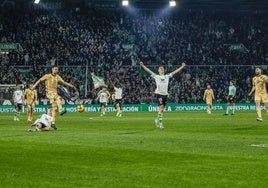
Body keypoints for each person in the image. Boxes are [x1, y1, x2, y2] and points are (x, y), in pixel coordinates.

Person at [140, 61, 186, 129]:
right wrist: (143, 66)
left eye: (162, 68)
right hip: (159, 94)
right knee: (161, 107)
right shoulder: (156, 76)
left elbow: (175, 72)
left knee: (161, 110)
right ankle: (161, 124)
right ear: (158, 70)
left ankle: (157, 120)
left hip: (165, 95)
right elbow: (149, 71)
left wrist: (182, 67)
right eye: (160, 68)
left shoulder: (167, 76)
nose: (162, 69)